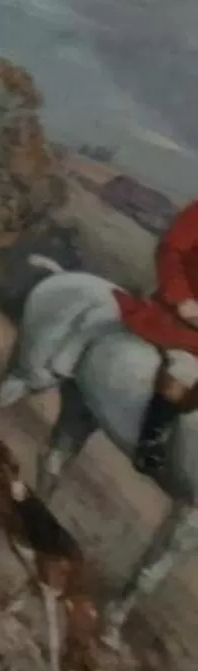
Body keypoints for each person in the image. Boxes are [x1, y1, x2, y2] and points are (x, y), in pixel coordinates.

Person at [125, 198, 198, 475]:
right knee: (185, 369)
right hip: (180, 317)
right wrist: (182, 300)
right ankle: (150, 441)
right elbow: (170, 250)